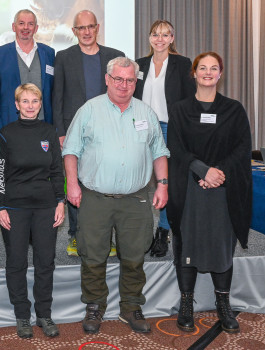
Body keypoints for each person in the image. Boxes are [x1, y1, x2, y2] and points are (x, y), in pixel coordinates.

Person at [62, 57, 169, 334]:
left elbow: (159, 152)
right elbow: (70, 150)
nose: (124, 85)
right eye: (118, 79)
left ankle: (131, 306)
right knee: (93, 255)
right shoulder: (89, 110)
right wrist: (71, 184)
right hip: (95, 198)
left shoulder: (146, 113)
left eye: (130, 80)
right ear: (108, 80)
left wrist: (163, 184)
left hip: (136, 198)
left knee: (134, 256)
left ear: (136, 82)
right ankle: (95, 305)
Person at [167, 52, 252, 334]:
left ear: (220, 73)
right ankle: (186, 304)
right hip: (190, 187)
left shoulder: (234, 109)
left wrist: (217, 173)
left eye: (213, 68)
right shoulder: (179, 110)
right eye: (202, 68)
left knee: (221, 247)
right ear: (194, 73)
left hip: (223, 188)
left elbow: (242, 149)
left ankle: (223, 305)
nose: (207, 72)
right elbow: (176, 148)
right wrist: (203, 171)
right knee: (187, 244)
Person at [0, 84, 65, 339]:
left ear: (40, 103)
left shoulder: (49, 131)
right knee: (17, 263)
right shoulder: (6, 133)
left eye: (34, 100)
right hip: (14, 208)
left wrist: (60, 202)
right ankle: (22, 315)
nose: (30, 105)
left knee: (45, 262)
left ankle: (44, 314)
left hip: (46, 207)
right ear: (16, 105)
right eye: (25, 101)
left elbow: (57, 170)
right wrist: (1, 206)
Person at [52, 9, 124, 256]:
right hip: (75, 132)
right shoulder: (63, 57)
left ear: (97, 27)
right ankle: (75, 235)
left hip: (109, 132)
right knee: (75, 183)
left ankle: (107, 236)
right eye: (80, 28)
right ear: (74, 32)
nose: (86, 32)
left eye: (90, 26)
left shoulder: (116, 57)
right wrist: (60, 132)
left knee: (107, 185)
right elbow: (57, 97)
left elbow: (125, 96)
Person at [133, 20, 196, 257]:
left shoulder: (182, 64)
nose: (159, 38)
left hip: (170, 129)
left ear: (172, 38)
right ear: (149, 38)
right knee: (138, 182)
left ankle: (163, 231)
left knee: (164, 182)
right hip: (141, 129)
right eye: (155, 34)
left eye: (165, 34)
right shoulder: (139, 64)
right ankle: (139, 233)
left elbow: (190, 101)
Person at [0, 9, 55, 129]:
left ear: (36, 28)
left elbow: (53, 91)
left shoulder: (49, 53)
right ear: (14, 27)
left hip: (43, 125)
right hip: (10, 125)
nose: (26, 28)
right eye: (21, 23)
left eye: (30, 24)